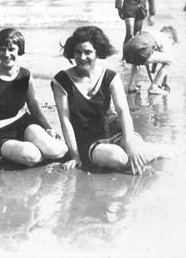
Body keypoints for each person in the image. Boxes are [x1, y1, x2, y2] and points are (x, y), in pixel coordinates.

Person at [51, 26, 164, 175]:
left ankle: (152, 153)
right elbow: (65, 121)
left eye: (88, 52)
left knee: (138, 149)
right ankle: (144, 161)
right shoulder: (61, 81)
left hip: (115, 128)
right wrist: (75, 156)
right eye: (78, 52)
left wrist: (129, 141)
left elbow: (123, 111)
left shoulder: (110, 76)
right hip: (88, 139)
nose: (82, 57)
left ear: (97, 52)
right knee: (117, 157)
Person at [0, 28, 68, 166]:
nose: (6, 54)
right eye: (2, 49)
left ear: (19, 50)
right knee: (31, 155)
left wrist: (48, 128)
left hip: (23, 123)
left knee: (57, 150)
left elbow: (34, 108)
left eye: (11, 49)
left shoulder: (25, 75)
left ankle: (40, 149)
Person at [124, 26, 178, 95]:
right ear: (170, 37)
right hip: (141, 52)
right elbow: (167, 60)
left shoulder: (152, 34)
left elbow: (147, 63)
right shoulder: (165, 37)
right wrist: (164, 82)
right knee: (171, 61)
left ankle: (131, 85)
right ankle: (154, 87)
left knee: (137, 59)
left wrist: (153, 81)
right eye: (173, 43)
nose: (172, 45)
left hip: (127, 51)